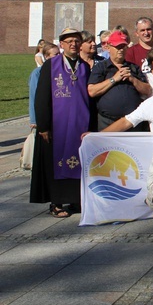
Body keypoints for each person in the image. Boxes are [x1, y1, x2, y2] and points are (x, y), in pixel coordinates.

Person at [30, 27, 94, 218]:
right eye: (69, 41)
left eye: (76, 41)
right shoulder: (51, 65)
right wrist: (43, 125)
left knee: (78, 162)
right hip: (56, 126)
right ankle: (56, 203)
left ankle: (75, 200)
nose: (73, 44)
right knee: (55, 163)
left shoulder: (84, 66)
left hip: (79, 125)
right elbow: (41, 97)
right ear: (62, 44)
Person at [88, 30, 152, 131]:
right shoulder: (101, 67)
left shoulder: (134, 68)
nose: (121, 50)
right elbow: (92, 91)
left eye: (123, 47)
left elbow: (148, 91)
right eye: (117, 47)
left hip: (132, 121)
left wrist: (133, 80)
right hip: (107, 122)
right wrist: (114, 79)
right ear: (109, 47)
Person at [29, 43, 60, 132]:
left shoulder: (61, 71)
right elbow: (33, 95)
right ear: (46, 56)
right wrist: (34, 120)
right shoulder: (38, 73)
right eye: (55, 54)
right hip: (45, 114)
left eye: (59, 54)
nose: (59, 56)